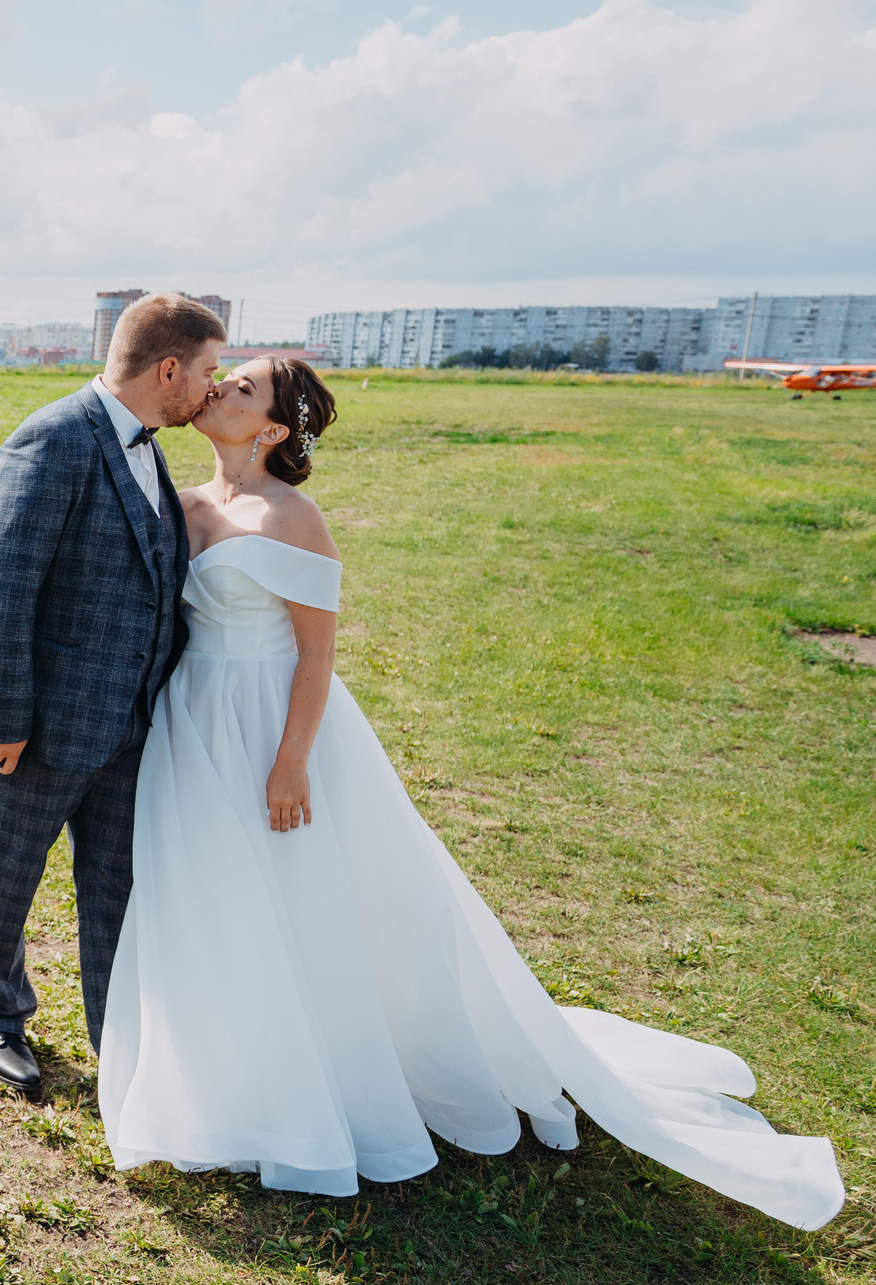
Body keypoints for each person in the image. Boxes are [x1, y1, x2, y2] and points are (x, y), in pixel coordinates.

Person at [97, 357, 844, 1230]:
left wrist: (293, 759)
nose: (221, 388)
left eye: (246, 388)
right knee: (211, 894)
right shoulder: (179, 504)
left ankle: (320, 1082)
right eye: (227, 377)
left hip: (272, 726)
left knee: (299, 898)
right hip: (194, 726)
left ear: (270, 431)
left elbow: (317, 656)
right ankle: (222, 1072)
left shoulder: (294, 517)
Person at [0, 294, 226, 1097]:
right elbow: (3, 589)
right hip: (48, 724)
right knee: (9, 871)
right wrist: (7, 717)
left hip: (131, 725)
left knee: (115, 888)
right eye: (205, 372)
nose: (210, 388)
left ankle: (114, 1035)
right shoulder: (50, 438)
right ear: (168, 368)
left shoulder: (152, 447)